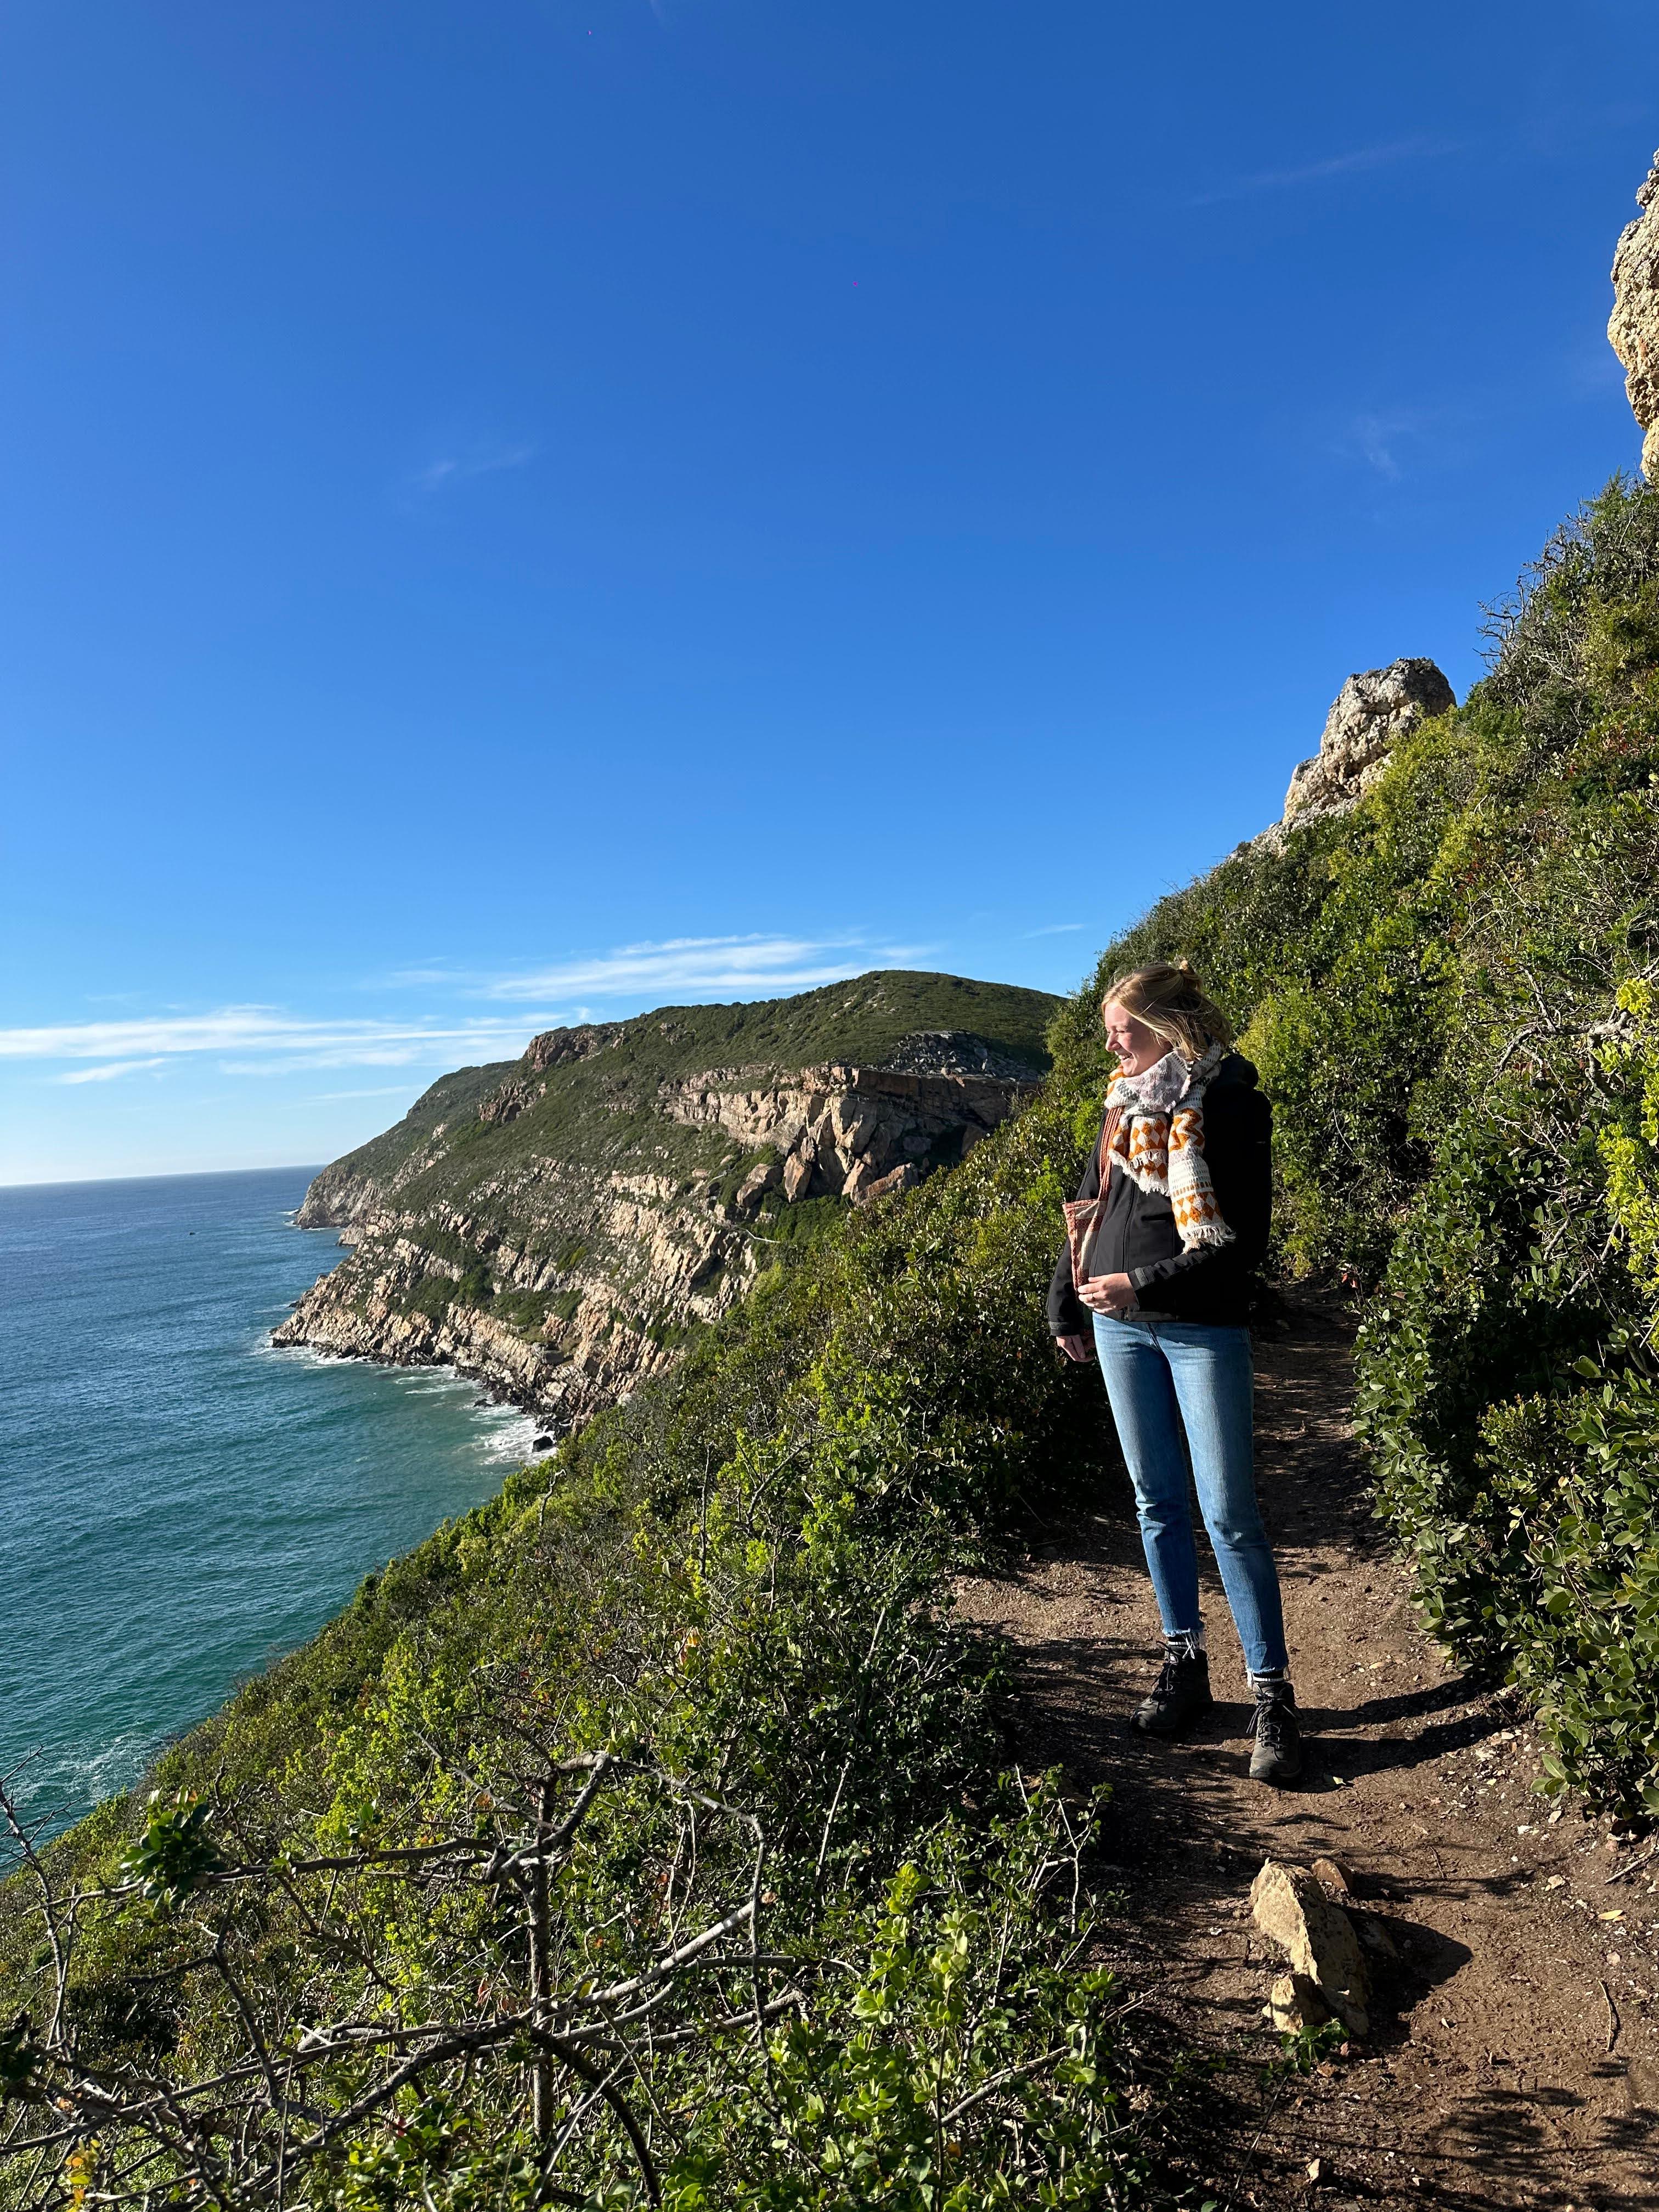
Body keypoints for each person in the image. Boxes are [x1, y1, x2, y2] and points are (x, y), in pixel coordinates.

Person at [1047, 960, 1302, 1785]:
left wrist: (1140, 1284)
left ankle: (1272, 1695)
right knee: (1156, 1503)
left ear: (1166, 1027)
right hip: (1117, 1328)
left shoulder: (1228, 1103)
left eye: (1121, 1029)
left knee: (1228, 1514)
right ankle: (1184, 1663)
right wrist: (1067, 1303)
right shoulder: (1123, 1103)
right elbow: (1089, 1207)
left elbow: (1243, 1243)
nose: (1110, 1045)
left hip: (1199, 1329)